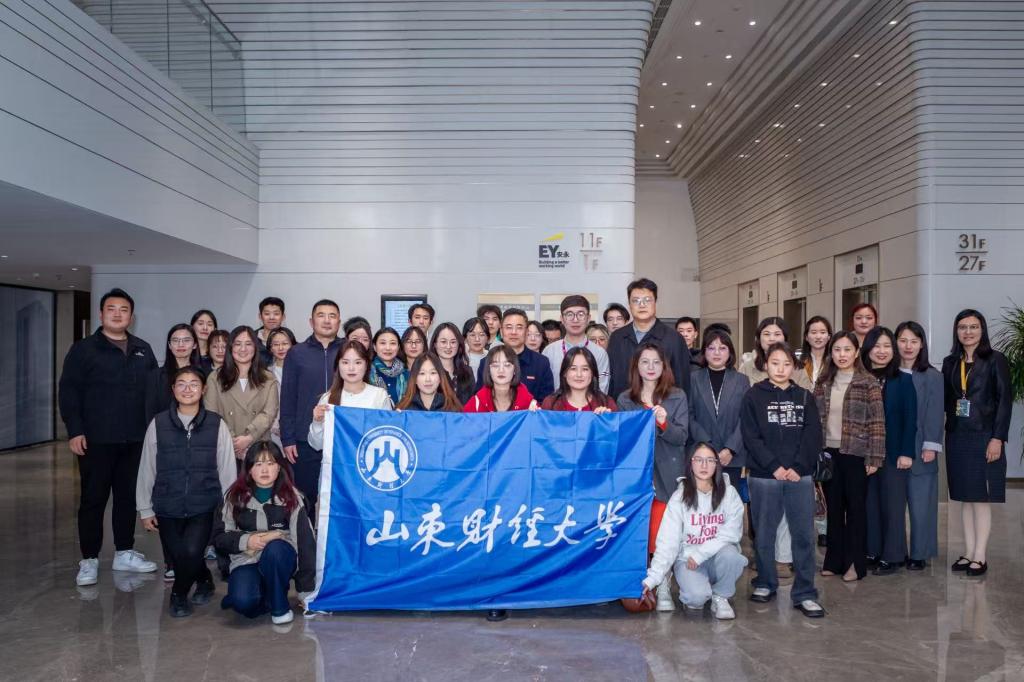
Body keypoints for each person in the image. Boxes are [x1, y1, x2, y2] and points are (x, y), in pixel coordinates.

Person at [59, 288, 159, 587]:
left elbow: (153, 393)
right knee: (93, 500)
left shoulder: (142, 349)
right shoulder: (84, 350)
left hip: (135, 440)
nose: (117, 314)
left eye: (123, 309)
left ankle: (124, 552)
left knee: (127, 498)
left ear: (131, 316)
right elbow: (69, 391)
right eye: (111, 309)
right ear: (101, 314)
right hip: (96, 440)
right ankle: (89, 559)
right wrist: (75, 430)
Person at [136, 367, 237, 617]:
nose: (187, 389)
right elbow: (147, 467)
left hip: (204, 503)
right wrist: (145, 508)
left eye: (194, 384)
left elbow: (227, 468)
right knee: (179, 554)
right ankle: (204, 580)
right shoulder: (158, 423)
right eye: (181, 384)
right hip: (167, 503)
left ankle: (178, 594)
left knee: (191, 551)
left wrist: (229, 506)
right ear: (173, 390)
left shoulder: (216, 424)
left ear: (203, 390)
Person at [740, 342, 825, 618]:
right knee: (764, 532)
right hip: (765, 476)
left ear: (794, 367)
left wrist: (797, 467)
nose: (780, 369)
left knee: (803, 535)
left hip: (799, 476)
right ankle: (765, 582)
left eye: (787, 364)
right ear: (766, 365)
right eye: (775, 363)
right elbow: (751, 436)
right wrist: (774, 466)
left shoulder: (804, 396)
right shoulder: (753, 395)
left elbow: (813, 435)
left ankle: (805, 592)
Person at [616, 342, 689, 612]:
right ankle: (642, 584)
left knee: (663, 536)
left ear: (664, 366)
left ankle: (665, 585)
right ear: (636, 366)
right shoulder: (625, 399)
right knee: (641, 535)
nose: (650, 367)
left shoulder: (677, 396)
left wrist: (664, 422)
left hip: (668, 472)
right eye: (645, 362)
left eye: (656, 362)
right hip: (638, 476)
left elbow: (682, 436)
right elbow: (622, 439)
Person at [642, 443, 747, 619]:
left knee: (732, 556)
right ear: (690, 463)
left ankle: (721, 595)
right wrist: (652, 579)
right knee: (695, 600)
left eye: (710, 460)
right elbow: (668, 541)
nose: (704, 465)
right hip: (688, 559)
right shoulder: (679, 497)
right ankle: (697, 588)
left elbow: (732, 533)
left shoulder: (729, 494)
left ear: (717, 464)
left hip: (717, 557)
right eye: (698, 460)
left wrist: (701, 554)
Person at [942, 309, 1011, 577]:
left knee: (981, 498)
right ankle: (969, 551)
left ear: (982, 330)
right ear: (956, 331)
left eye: (973, 327)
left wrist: (998, 438)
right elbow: (947, 401)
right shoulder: (950, 362)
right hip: (957, 436)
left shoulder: (995, 360)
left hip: (984, 436)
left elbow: (1004, 402)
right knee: (964, 497)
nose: (968, 332)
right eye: (962, 327)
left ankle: (980, 555)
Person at [216, 441, 316, 626]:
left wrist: (306, 592)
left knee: (275, 549)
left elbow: (305, 545)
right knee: (243, 603)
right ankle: (262, 596)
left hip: (280, 559)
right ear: (249, 469)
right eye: (258, 464)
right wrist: (248, 540)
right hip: (247, 560)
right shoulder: (234, 497)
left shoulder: (293, 498)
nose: (264, 470)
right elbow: (220, 538)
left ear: (279, 468)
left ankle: (279, 607)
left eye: (270, 463)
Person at [813, 331, 885, 582]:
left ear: (856, 353)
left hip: (856, 454)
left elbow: (877, 422)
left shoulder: (868, 382)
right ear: (831, 353)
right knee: (833, 510)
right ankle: (834, 561)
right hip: (829, 454)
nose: (841, 355)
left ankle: (855, 563)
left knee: (855, 510)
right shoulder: (823, 381)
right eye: (837, 349)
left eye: (847, 350)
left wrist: (874, 458)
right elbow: (815, 420)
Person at [279, 299, 343, 517]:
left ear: (339, 322)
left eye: (332, 316)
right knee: (306, 497)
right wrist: (288, 438)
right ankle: (307, 537)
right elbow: (287, 397)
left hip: (341, 438)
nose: (327, 320)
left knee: (339, 498)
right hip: (304, 439)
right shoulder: (297, 353)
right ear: (311, 321)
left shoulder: (347, 351)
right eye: (321, 315)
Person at [861, 327, 917, 575]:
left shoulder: (903, 379)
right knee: (870, 504)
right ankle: (873, 551)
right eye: (876, 346)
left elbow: (911, 418)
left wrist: (907, 452)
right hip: (865, 453)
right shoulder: (859, 378)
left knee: (893, 506)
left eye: (887, 346)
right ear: (867, 349)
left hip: (894, 453)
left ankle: (893, 556)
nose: (882, 351)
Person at [895, 321, 943, 570]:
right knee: (893, 506)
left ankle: (919, 553)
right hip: (893, 450)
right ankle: (895, 551)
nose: (908, 346)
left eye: (914, 341)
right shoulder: (889, 374)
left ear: (922, 344)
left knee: (922, 504)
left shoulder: (932, 376)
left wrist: (930, 446)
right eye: (903, 340)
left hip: (921, 448)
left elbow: (935, 412)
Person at [204, 326, 280, 465]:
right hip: (226, 446)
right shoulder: (215, 378)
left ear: (255, 347)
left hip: (259, 448)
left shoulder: (268, 378)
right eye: (238, 344)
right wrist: (235, 442)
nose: (243, 349)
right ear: (230, 347)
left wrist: (248, 438)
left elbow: (269, 414)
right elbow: (212, 414)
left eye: (248, 344)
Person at [607, 278, 691, 399]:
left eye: (647, 300)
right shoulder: (617, 338)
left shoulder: (674, 339)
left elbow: (682, 383)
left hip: (661, 408)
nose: (642, 305)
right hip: (623, 407)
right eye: (636, 301)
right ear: (629, 305)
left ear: (655, 303)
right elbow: (611, 381)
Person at [688, 329, 750, 494]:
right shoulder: (693, 378)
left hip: (731, 457)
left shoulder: (741, 380)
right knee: (701, 503)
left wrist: (730, 449)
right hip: (701, 453)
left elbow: (746, 418)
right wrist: (707, 447)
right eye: (711, 348)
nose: (716, 353)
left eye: (722, 348)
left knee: (730, 502)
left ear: (730, 353)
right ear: (704, 352)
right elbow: (689, 415)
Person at [309, 341, 393, 451]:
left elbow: (387, 437)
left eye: (358, 362)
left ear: (366, 365)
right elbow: (316, 445)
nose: (351, 368)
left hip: (367, 459)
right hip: (336, 461)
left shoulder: (379, 395)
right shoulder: (327, 398)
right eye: (345, 362)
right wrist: (317, 421)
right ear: (338, 366)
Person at [474, 309, 554, 401]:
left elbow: (546, 401)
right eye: (509, 327)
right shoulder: (487, 362)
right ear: (501, 331)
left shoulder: (541, 363)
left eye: (519, 327)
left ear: (526, 332)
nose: (513, 332)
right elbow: (479, 400)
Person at [543, 296, 611, 394]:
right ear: (562, 319)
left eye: (581, 314)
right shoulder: (549, 351)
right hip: (556, 404)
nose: (575, 320)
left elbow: (602, 390)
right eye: (569, 314)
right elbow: (545, 389)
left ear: (588, 318)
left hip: (591, 404)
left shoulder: (600, 353)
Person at [144, 324, 202, 425]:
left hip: (198, 429)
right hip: (164, 430)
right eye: (175, 340)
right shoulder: (156, 376)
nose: (181, 344)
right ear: (169, 345)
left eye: (186, 340)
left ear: (195, 344)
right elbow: (151, 413)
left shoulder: (204, 375)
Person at [739, 317, 812, 390]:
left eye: (777, 334)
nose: (772, 338)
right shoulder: (747, 368)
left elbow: (805, 395)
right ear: (758, 338)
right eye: (766, 334)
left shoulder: (798, 368)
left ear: (785, 338)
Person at [464, 345, 538, 413]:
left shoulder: (530, 404)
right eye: (495, 365)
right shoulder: (476, 404)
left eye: (507, 365)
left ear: (515, 370)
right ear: (488, 370)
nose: (501, 370)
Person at [540, 347, 616, 412]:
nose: (579, 374)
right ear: (564, 373)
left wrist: (607, 420)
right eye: (573, 369)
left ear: (592, 373)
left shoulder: (606, 403)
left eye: (585, 369)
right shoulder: (551, 403)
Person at [396, 352, 463, 412]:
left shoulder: (452, 409)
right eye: (422, 373)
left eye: (433, 373)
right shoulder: (404, 409)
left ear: (440, 377)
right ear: (415, 379)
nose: (428, 379)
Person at [265, 327, 296, 448]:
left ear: (293, 345)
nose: (281, 348)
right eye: (276, 344)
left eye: (285, 343)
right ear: (270, 348)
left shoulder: (301, 370)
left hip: (297, 428)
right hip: (273, 430)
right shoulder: (265, 374)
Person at [430, 323, 476, 404]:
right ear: (435, 344)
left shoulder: (467, 372)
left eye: (453, 342)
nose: (448, 346)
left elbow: (472, 404)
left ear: (459, 345)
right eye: (443, 342)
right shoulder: (429, 372)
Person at [370, 327, 408, 405]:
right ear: (375, 347)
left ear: (398, 347)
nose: (388, 348)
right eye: (383, 343)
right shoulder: (366, 373)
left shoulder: (406, 374)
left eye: (393, 343)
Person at [800, 316, 833, 385]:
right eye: (814, 332)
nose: (818, 336)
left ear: (829, 337)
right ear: (806, 337)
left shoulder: (834, 361)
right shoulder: (798, 360)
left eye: (822, 332)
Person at [256, 297, 286, 365]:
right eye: (267, 314)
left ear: (283, 317)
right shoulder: (251, 339)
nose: (271, 317)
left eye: (276, 314)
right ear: (260, 316)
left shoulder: (290, 341)